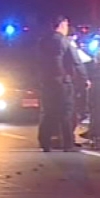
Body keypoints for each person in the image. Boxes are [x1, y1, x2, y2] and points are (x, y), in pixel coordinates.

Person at [36, 15, 83, 152]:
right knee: (66, 113)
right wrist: (84, 78)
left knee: (48, 112)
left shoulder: (42, 41)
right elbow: (76, 61)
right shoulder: (65, 41)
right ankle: (68, 144)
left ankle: (44, 142)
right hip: (63, 82)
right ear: (63, 25)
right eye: (66, 25)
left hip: (46, 81)